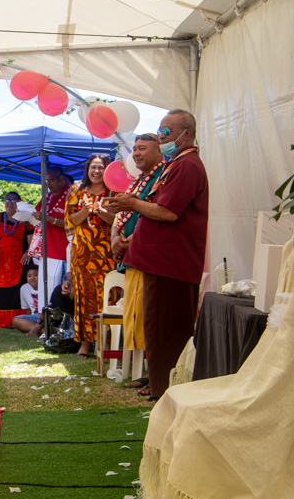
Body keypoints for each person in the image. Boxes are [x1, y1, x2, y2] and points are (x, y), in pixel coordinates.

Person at [104, 109, 209, 401]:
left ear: (186, 134)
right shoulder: (176, 164)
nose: (162, 137)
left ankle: (167, 394)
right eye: (160, 131)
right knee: (158, 331)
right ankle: (162, 388)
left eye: (167, 132)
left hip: (170, 263)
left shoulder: (187, 165)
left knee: (166, 332)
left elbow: (169, 212)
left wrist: (132, 203)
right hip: (158, 261)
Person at [109, 135, 165, 395]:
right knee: (137, 316)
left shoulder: (163, 175)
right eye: (134, 150)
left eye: (143, 149)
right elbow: (121, 215)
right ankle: (147, 372)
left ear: (158, 151)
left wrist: (128, 241)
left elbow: (155, 213)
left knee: (151, 318)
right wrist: (115, 239)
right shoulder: (139, 180)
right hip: (132, 258)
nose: (137, 154)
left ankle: (158, 376)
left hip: (149, 258)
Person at [65, 154, 117, 358]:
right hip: (83, 253)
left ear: (108, 170)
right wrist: (86, 211)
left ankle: (108, 344)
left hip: (107, 253)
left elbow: (117, 221)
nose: (96, 171)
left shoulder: (113, 192)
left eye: (101, 167)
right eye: (93, 167)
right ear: (87, 170)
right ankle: (85, 344)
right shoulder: (76, 191)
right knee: (84, 297)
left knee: (108, 296)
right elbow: (70, 222)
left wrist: (101, 210)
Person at [0, 191, 35, 328]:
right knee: (0, 293)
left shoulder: (26, 220)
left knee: (17, 292)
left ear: (19, 203)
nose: (10, 202)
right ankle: (0, 321)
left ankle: (19, 321)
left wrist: (27, 253)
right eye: (8, 199)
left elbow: (31, 241)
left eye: (14, 200)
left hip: (20, 262)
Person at [31, 166, 70, 311]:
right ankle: (44, 323)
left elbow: (71, 222)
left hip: (60, 251)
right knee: (43, 289)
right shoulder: (47, 196)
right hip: (45, 250)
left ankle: (55, 325)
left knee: (56, 288)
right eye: (47, 181)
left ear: (61, 178)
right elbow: (37, 213)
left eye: (51, 180)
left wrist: (49, 219)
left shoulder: (70, 195)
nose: (49, 184)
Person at [11, 266, 42, 336]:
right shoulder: (24, 288)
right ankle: (42, 330)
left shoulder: (46, 286)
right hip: (35, 317)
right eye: (29, 276)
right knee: (16, 320)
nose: (32, 278)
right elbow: (27, 309)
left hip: (46, 316)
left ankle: (39, 329)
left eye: (35, 275)